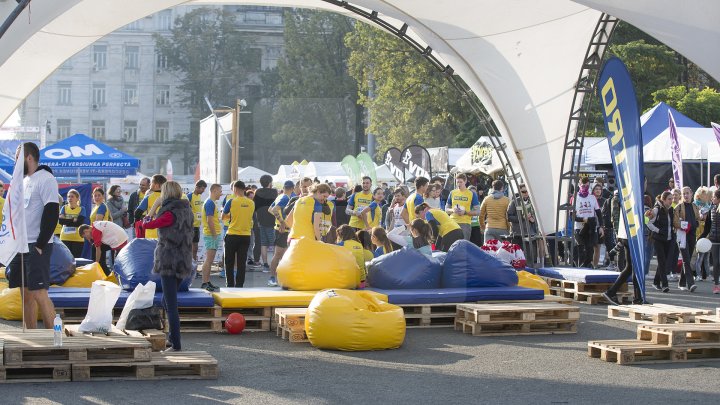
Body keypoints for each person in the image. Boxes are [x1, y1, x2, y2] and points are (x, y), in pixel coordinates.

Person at [7, 142, 59, 329]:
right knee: (25, 293)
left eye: (17, 157)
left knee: (39, 292)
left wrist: (40, 243)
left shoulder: (45, 179)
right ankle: (31, 336)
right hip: (21, 244)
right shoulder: (23, 181)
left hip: (37, 244)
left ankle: (55, 338)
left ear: (28, 157)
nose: (15, 161)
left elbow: (52, 212)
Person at [141, 181, 193, 352]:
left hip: (169, 260)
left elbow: (146, 223)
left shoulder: (169, 214)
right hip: (183, 260)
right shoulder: (187, 210)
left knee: (171, 305)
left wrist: (154, 205)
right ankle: (172, 338)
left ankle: (176, 344)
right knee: (166, 300)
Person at [602, 210, 648, 305]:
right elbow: (636, 217)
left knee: (630, 267)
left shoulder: (627, 198)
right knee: (635, 267)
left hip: (627, 234)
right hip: (632, 235)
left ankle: (612, 292)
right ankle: (637, 298)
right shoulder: (633, 198)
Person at [222, 181, 255, 288]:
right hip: (246, 235)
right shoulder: (251, 203)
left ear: (235, 189)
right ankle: (239, 286)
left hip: (232, 234)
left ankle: (230, 285)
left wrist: (231, 217)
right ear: (244, 189)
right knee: (241, 263)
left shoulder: (231, 201)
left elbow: (223, 216)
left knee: (229, 262)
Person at [268, 181, 295, 287]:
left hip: (281, 229)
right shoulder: (285, 198)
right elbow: (274, 210)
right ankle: (272, 278)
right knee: (278, 254)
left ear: (284, 187)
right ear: (292, 188)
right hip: (282, 230)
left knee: (282, 255)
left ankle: (279, 277)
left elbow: (270, 210)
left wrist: (279, 220)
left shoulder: (280, 196)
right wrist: (282, 222)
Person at [647, 191, 675, 293]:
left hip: (669, 239)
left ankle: (656, 282)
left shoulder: (671, 209)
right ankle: (665, 284)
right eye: (669, 199)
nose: (671, 201)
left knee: (664, 262)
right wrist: (658, 230)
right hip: (658, 239)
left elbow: (672, 223)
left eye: (672, 199)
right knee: (662, 261)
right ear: (663, 200)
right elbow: (649, 224)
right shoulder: (656, 209)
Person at [573, 177, 603, 268]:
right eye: (583, 186)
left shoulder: (592, 197)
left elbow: (598, 213)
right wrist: (584, 219)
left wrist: (601, 226)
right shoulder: (574, 198)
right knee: (581, 250)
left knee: (590, 251)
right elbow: (573, 216)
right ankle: (581, 268)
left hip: (591, 227)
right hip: (579, 227)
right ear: (579, 185)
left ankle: (587, 267)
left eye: (587, 186)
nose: (585, 188)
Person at [673, 186, 698, 292]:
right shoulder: (678, 207)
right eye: (684, 194)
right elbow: (675, 222)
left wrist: (696, 223)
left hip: (692, 235)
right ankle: (690, 283)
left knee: (686, 260)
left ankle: (681, 282)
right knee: (686, 259)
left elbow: (697, 219)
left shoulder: (694, 206)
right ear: (682, 196)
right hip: (682, 235)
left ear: (691, 194)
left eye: (688, 193)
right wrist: (683, 225)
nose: (686, 196)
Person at [506, 184, 539, 265]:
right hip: (518, 233)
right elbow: (509, 217)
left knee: (530, 258)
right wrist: (522, 218)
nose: (526, 193)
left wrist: (533, 220)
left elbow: (538, 217)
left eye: (527, 191)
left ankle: (530, 271)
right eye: (523, 191)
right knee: (517, 258)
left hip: (530, 233)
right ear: (519, 192)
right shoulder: (514, 202)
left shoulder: (533, 202)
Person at [199, 184, 222, 292]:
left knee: (210, 260)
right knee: (208, 260)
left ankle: (207, 281)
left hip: (212, 234)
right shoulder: (209, 203)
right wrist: (214, 234)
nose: (221, 194)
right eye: (220, 191)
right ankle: (204, 282)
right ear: (215, 191)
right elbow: (209, 220)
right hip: (211, 234)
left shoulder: (211, 202)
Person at [254, 174, 278, 271]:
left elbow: (255, 207)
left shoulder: (258, 192)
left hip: (260, 219)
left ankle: (265, 265)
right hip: (272, 220)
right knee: (274, 243)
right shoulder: (274, 192)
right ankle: (274, 264)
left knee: (263, 243)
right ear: (269, 182)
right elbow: (276, 205)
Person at [447, 173, 480, 240]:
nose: (459, 184)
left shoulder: (471, 194)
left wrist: (465, 212)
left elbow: (477, 212)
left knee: (463, 245)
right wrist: (453, 210)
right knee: (452, 245)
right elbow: (446, 209)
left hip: (465, 223)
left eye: (461, 182)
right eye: (457, 182)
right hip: (452, 222)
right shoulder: (452, 193)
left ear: (465, 181)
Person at [699, 189, 720, 294]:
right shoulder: (711, 208)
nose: (712, 199)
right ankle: (716, 285)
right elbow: (707, 227)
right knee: (716, 262)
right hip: (714, 240)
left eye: (714, 197)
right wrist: (701, 237)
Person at [134, 174, 167, 239]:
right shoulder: (169, 197)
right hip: (165, 232)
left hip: (151, 232)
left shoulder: (149, 197)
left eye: (151, 183)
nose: (150, 185)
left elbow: (137, 212)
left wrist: (138, 223)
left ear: (156, 185)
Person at [58, 189, 87, 258]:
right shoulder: (64, 208)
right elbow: (61, 221)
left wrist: (67, 220)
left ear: (77, 198)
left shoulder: (82, 209)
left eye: (72, 196)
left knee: (76, 261)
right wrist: (73, 219)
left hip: (78, 239)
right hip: (65, 238)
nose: (70, 198)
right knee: (65, 260)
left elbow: (79, 223)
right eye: (68, 196)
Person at [186, 180, 207, 265]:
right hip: (190, 226)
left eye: (204, 189)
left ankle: (194, 266)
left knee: (195, 248)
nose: (203, 190)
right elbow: (185, 210)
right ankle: (189, 266)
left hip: (197, 226)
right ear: (197, 187)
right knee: (190, 248)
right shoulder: (189, 196)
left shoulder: (199, 197)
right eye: (202, 188)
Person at [694, 187, 711, 280]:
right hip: (699, 237)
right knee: (699, 258)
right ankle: (698, 275)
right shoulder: (696, 206)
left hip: (707, 238)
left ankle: (707, 275)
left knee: (706, 258)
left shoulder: (707, 206)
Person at [592, 182, 606, 268]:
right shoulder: (590, 199)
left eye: (599, 189)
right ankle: (588, 265)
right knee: (590, 248)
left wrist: (602, 226)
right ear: (593, 190)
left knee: (598, 247)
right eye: (596, 189)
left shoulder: (604, 201)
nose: (598, 191)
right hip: (590, 226)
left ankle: (595, 265)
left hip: (600, 227)